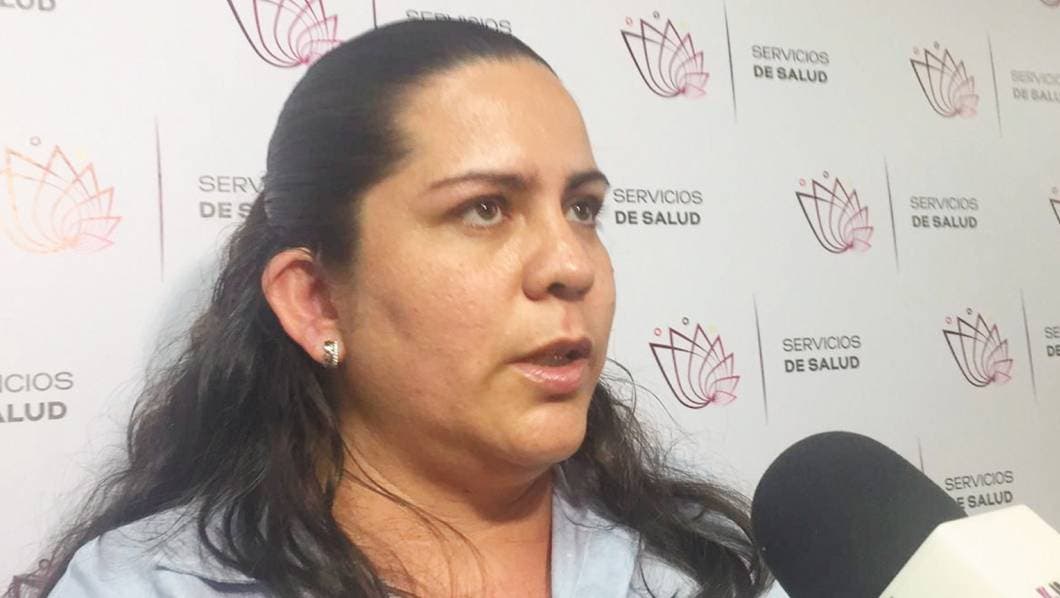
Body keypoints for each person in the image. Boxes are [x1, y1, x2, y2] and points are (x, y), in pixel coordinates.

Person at [9, 19, 771, 598]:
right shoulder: (147, 586)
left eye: (582, 209)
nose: (572, 265)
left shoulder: (696, 559)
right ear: (316, 300)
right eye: (483, 209)